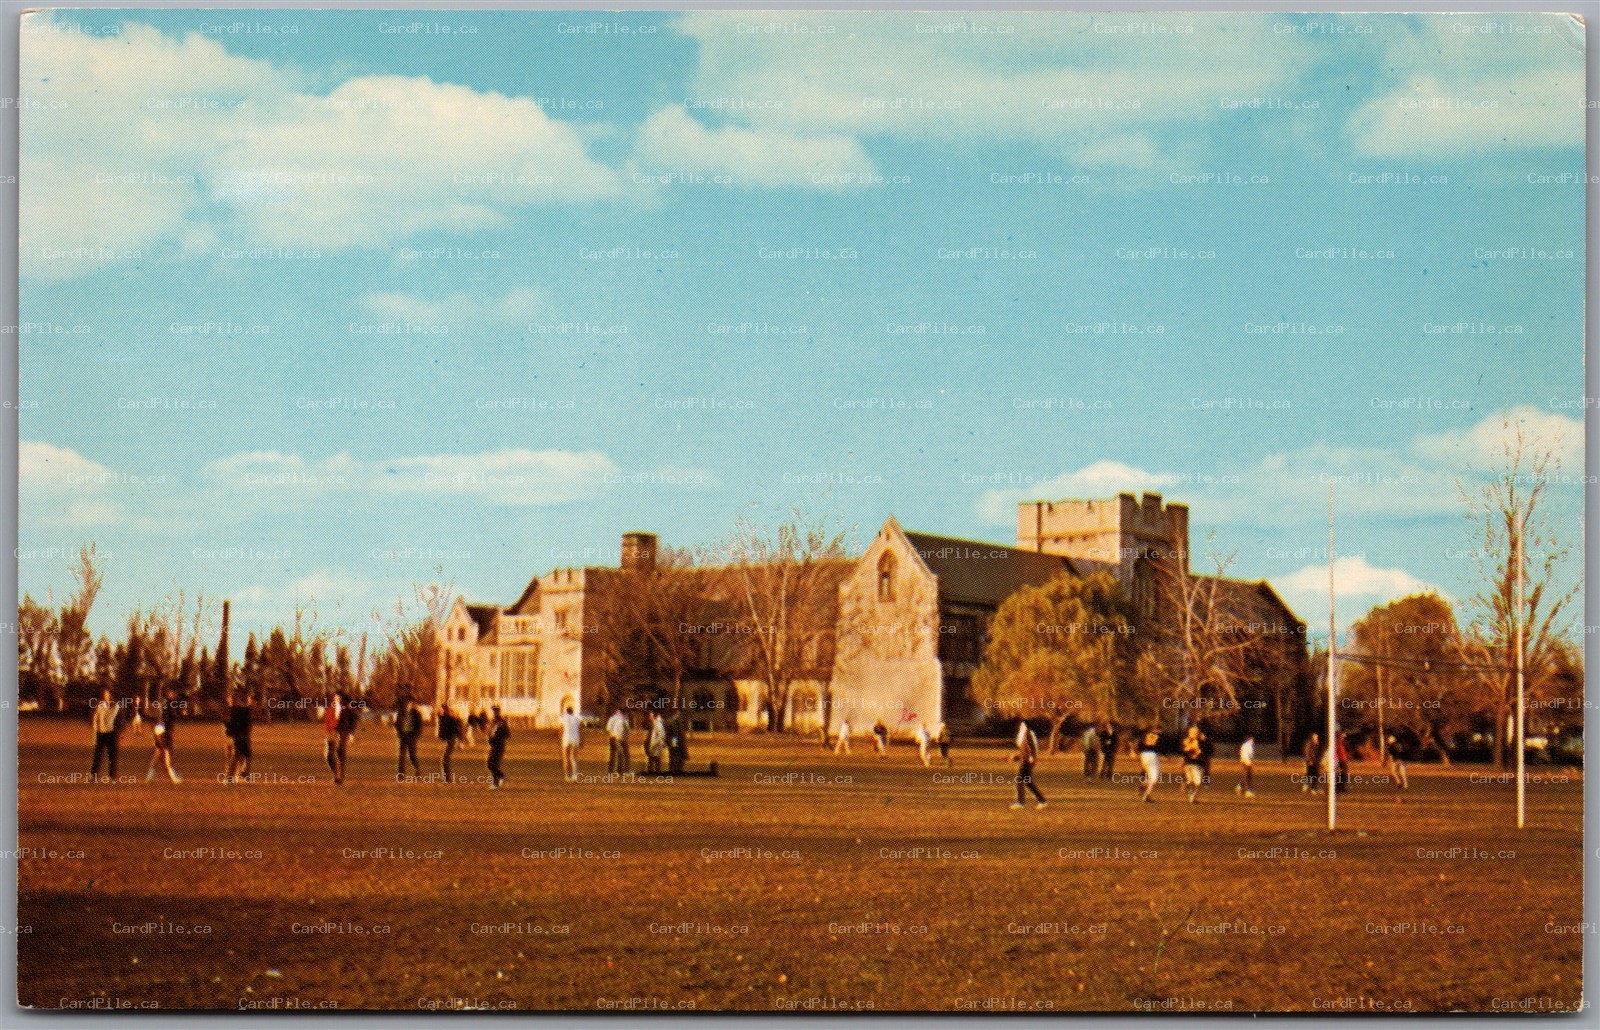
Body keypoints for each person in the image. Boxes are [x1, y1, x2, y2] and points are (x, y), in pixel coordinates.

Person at [144, 688, 183, 784]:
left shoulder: (164, 702)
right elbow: (166, 718)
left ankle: (150, 774)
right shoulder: (168, 703)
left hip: (159, 729)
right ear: (170, 693)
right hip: (163, 730)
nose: (176, 695)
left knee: (159, 752)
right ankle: (173, 776)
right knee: (166, 752)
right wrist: (168, 730)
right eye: (174, 693)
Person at [1009, 720, 1047, 810]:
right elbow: (1024, 750)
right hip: (1025, 759)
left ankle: (1020, 802)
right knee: (1027, 782)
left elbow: (1032, 747)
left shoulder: (1028, 734)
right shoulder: (1023, 735)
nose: (1021, 726)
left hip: (1027, 761)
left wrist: (1032, 757)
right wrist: (1015, 757)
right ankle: (1042, 801)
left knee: (1019, 780)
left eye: (1023, 725)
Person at [90, 688, 122, 782]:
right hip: (101, 732)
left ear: (109, 695)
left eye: (106, 694)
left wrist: (118, 731)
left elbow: (121, 720)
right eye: (103, 694)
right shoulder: (99, 706)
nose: (104, 696)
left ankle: (113, 776)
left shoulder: (116, 706)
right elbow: (95, 718)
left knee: (112, 755)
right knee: (98, 755)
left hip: (112, 733)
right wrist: (95, 729)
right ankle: (94, 775)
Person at [224, 693, 253, 783]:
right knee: (237, 753)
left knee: (245, 753)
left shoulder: (244, 709)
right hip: (237, 720)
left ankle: (244, 773)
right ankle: (230, 777)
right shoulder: (236, 710)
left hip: (240, 719)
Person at [395, 698, 423, 779]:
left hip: (412, 737)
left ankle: (417, 770)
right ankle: (401, 774)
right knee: (401, 756)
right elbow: (397, 723)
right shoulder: (401, 713)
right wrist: (399, 733)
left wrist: (415, 736)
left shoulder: (417, 714)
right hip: (403, 736)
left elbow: (419, 726)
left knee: (412, 755)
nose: (408, 705)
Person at [437, 702, 463, 782]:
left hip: (450, 740)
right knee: (444, 759)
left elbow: (456, 730)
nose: (443, 710)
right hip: (446, 740)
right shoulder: (443, 718)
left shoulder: (450, 719)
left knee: (444, 759)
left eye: (444, 709)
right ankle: (446, 777)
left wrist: (459, 741)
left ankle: (447, 778)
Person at [486, 706, 510, 789]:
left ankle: (496, 783)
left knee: (493, 764)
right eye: (493, 711)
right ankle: (500, 777)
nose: (494, 713)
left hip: (499, 745)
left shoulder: (502, 721)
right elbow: (490, 732)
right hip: (493, 745)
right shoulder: (493, 721)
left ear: (498, 712)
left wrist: (498, 735)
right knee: (490, 763)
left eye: (495, 711)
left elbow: (507, 734)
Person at [1181, 726, 1206, 803]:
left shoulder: (1186, 741)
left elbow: (1184, 751)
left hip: (1188, 763)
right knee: (1198, 782)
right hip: (1195, 764)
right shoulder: (1198, 741)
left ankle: (1191, 796)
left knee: (1191, 781)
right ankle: (1192, 796)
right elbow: (1202, 751)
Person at [606, 708, 631, 775]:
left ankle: (616, 770)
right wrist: (614, 735)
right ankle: (616, 771)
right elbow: (608, 729)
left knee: (617, 755)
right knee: (619, 754)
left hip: (619, 738)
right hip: (616, 738)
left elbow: (608, 728)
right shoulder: (620, 719)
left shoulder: (615, 718)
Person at [1138, 730, 1162, 803]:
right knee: (1154, 779)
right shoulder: (1146, 744)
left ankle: (1144, 788)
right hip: (1149, 756)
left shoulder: (1156, 741)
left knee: (1151, 777)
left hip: (1149, 756)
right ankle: (1146, 794)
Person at [560, 704, 582, 782]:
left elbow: (561, 729)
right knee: (574, 758)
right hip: (575, 738)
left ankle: (567, 776)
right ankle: (575, 775)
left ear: (566, 711)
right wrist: (582, 740)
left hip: (566, 738)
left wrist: (560, 739)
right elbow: (580, 730)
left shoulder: (563, 718)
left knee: (566, 758)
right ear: (573, 711)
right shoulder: (577, 718)